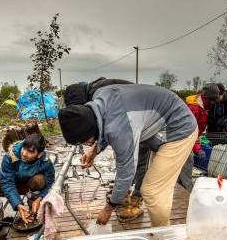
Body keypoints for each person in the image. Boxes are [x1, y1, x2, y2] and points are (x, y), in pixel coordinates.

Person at [58, 84, 198, 227]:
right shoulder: (100, 97)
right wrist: (95, 149)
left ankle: (162, 235)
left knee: (152, 192)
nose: (86, 145)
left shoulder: (121, 128)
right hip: (161, 125)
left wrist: (109, 207)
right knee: (160, 188)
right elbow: (104, 123)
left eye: (85, 141)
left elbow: (126, 171)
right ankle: (160, 223)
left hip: (179, 129)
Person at [0, 133, 55, 230]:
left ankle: (32, 209)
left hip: (31, 186)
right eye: (24, 148)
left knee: (39, 180)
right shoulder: (10, 156)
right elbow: (7, 183)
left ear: (39, 154)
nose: (24, 153)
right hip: (12, 184)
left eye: (30, 151)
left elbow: (50, 183)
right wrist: (18, 204)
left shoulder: (45, 161)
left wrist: (39, 199)